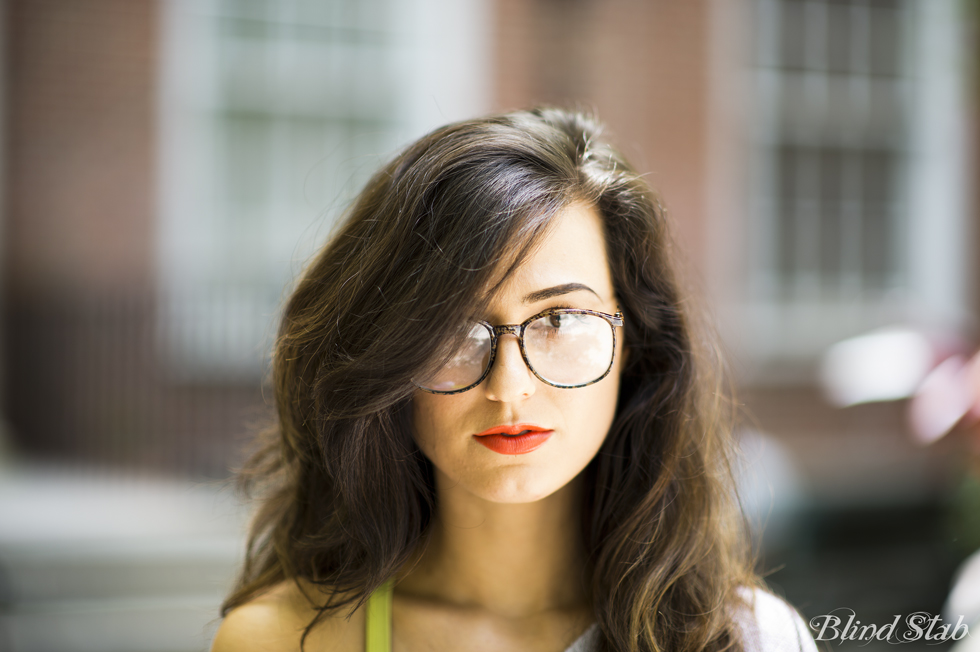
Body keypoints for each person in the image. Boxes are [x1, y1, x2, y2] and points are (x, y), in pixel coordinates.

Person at [210, 107, 818, 652]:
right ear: (389, 357)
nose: (509, 386)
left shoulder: (750, 640)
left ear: (632, 342)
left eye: (558, 319)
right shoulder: (282, 641)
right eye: (453, 330)